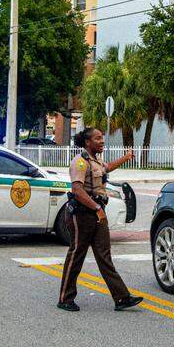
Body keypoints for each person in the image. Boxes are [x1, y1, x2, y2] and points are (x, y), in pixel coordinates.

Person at [57, 128, 143, 312]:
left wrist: (126, 158)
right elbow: (77, 190)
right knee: (77, 254)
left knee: (104, 256)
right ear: (88, 142)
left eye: (102, 138)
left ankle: (121, 298)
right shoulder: (80, 162)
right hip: (82, 214)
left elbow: (107, 168)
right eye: (98, 138)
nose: (102, 141)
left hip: (97, 212)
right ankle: (65, 298)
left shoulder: (96, 160)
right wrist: (96, 208)